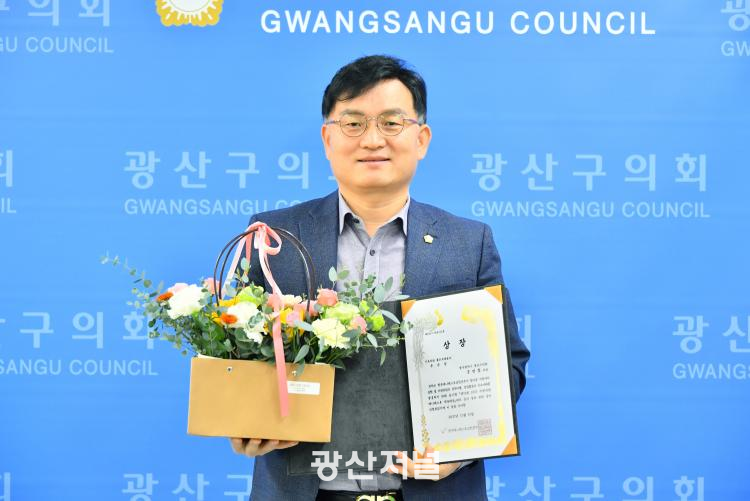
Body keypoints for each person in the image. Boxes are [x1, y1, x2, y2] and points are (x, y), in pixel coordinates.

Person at [229, 55, 530, 501]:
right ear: (328, 138)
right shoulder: (274, 238)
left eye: (391, 123)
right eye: (353, 123)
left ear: (421, 139)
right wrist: (243, 423)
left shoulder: (469, 243)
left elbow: (507, 364)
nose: (372, 139)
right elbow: (237, 356)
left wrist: (462, 451)